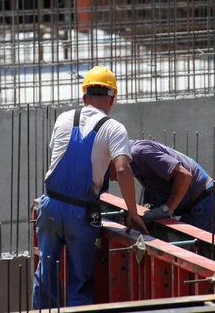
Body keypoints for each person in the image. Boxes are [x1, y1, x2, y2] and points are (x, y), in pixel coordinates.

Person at [32, 66, 148, 309]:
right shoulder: (114, 128)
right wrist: (133, 213)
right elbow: (123, 169)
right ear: (112, 99)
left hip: (50, 205)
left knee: (45, 275)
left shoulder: (63, 118)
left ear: (84, 96)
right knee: (80, 281)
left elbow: (55, 156)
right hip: (80, 214)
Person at [111, 139, 215, 237]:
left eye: (105, 173)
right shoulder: (130, 157)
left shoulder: (140, 153)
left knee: (205, 257)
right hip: (197, 203)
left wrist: (165, 209)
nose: (110, 180)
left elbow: (184, 177)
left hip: (206, 202)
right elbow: (155, 181)